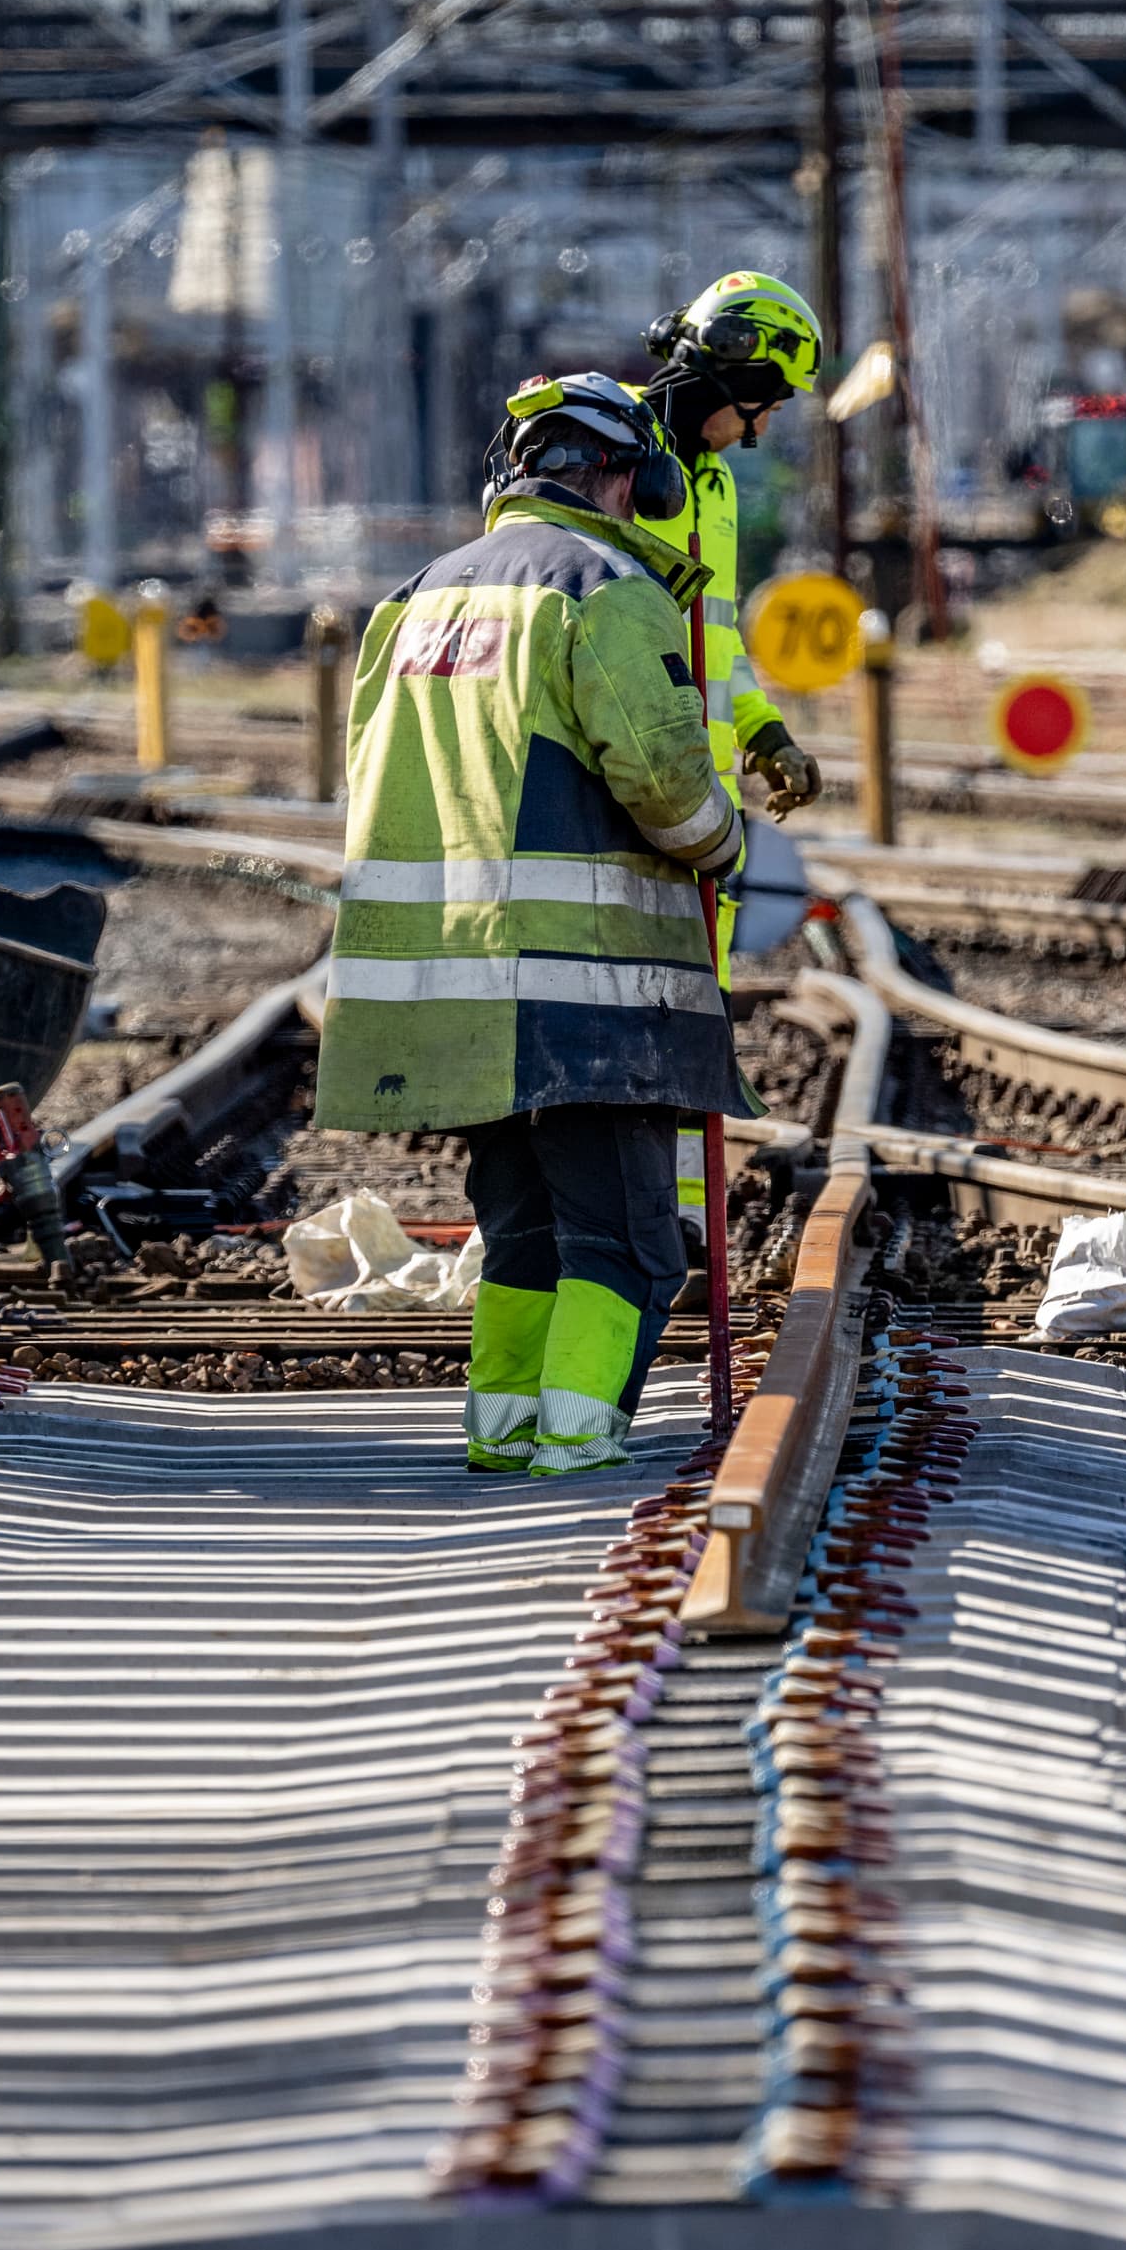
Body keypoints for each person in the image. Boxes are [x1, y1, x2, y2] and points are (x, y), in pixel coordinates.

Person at [314, 374, 750, 1478]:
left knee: (524, 1232)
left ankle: (503, 1434)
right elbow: (662, 777)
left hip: (451, 985)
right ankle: (577, 1445)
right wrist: (726, 842)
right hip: (583, 987)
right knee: (630, 1245)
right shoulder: (603, 587)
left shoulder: (412, 600)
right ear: (628, 478)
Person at [632, 269, 827, 1234]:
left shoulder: (710, 485)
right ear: (727, 371)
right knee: (624, 1014)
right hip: (616, 789)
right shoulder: (607, 446)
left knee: (692, 1020)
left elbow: (717, 636)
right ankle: (633, 1232)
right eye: (760, 409)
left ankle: (685, 1235)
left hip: (693, 804)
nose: (758, 432)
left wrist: (763, 730)